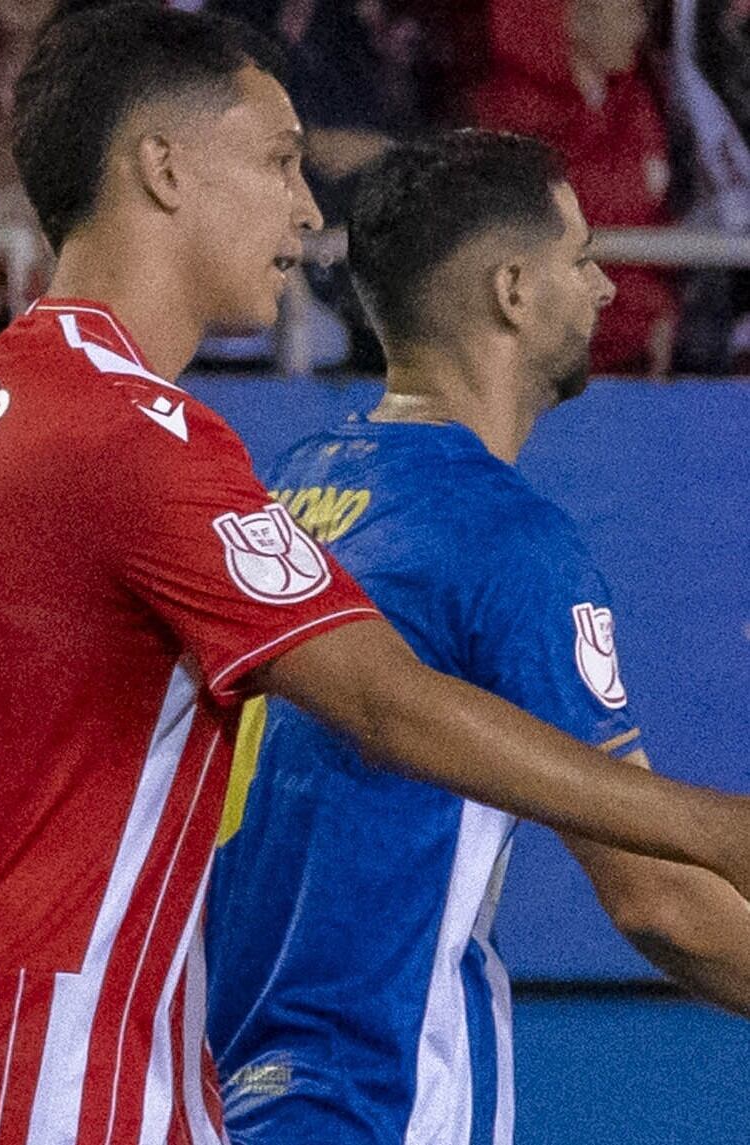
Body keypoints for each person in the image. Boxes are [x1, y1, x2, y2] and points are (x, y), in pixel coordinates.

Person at [0, 7, 750, 1142]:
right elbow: (385, 703)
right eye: (278, 160)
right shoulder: (134, 434)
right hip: (50, 1086)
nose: (306, 208)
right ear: (162, 168)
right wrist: (714, 826)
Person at [205, 130, 750, 1145]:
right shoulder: (503, 537)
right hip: (382, 1099)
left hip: (227, 1091)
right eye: (579, 257)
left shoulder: (290, 486)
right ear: (512, 290)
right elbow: (658, 898)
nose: (601, 287)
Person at [471, 0, 678, 375]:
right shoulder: (512, 113)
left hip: (636, 355)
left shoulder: (639, 104)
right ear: (578, 20)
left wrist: (658, 313)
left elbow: (649, 216)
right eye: (626, 13)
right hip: (543, 359)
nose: (639, 28)